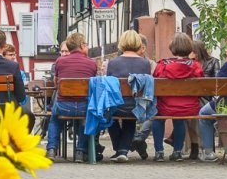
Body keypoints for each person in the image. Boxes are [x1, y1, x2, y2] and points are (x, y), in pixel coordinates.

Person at [46, 32, 98, 162]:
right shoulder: (92, 63)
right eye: (86, 44)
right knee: (85, 119)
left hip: (64, 106)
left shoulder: (60, 61)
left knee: (54, 118)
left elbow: (56, 82)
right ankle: (80, 151)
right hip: (84, 107)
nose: (87, 47)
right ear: (81, 45)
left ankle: (51, 149)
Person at [152, 33, 204, 162]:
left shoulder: (162, 65)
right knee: (179, 118)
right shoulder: (195, 65)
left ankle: (159, 152)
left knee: (157, 118)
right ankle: (177, 152)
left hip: (165, 107)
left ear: (172, 48)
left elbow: (154, 81)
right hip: (189, 108)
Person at [106, 31, 152, 162]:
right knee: (130, 118)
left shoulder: (113, 63)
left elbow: (109, 86)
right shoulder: (145, 64)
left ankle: (120, 149)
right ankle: (123, 150)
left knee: (110, 117)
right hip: (137, 106)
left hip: (117, 105)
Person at [2, 44, 30, 109]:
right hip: (13, 106)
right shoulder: (20, 73)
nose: (14, 57)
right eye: (10, 55)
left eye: (14, 54)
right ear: (3, 56)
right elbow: (23, 99)